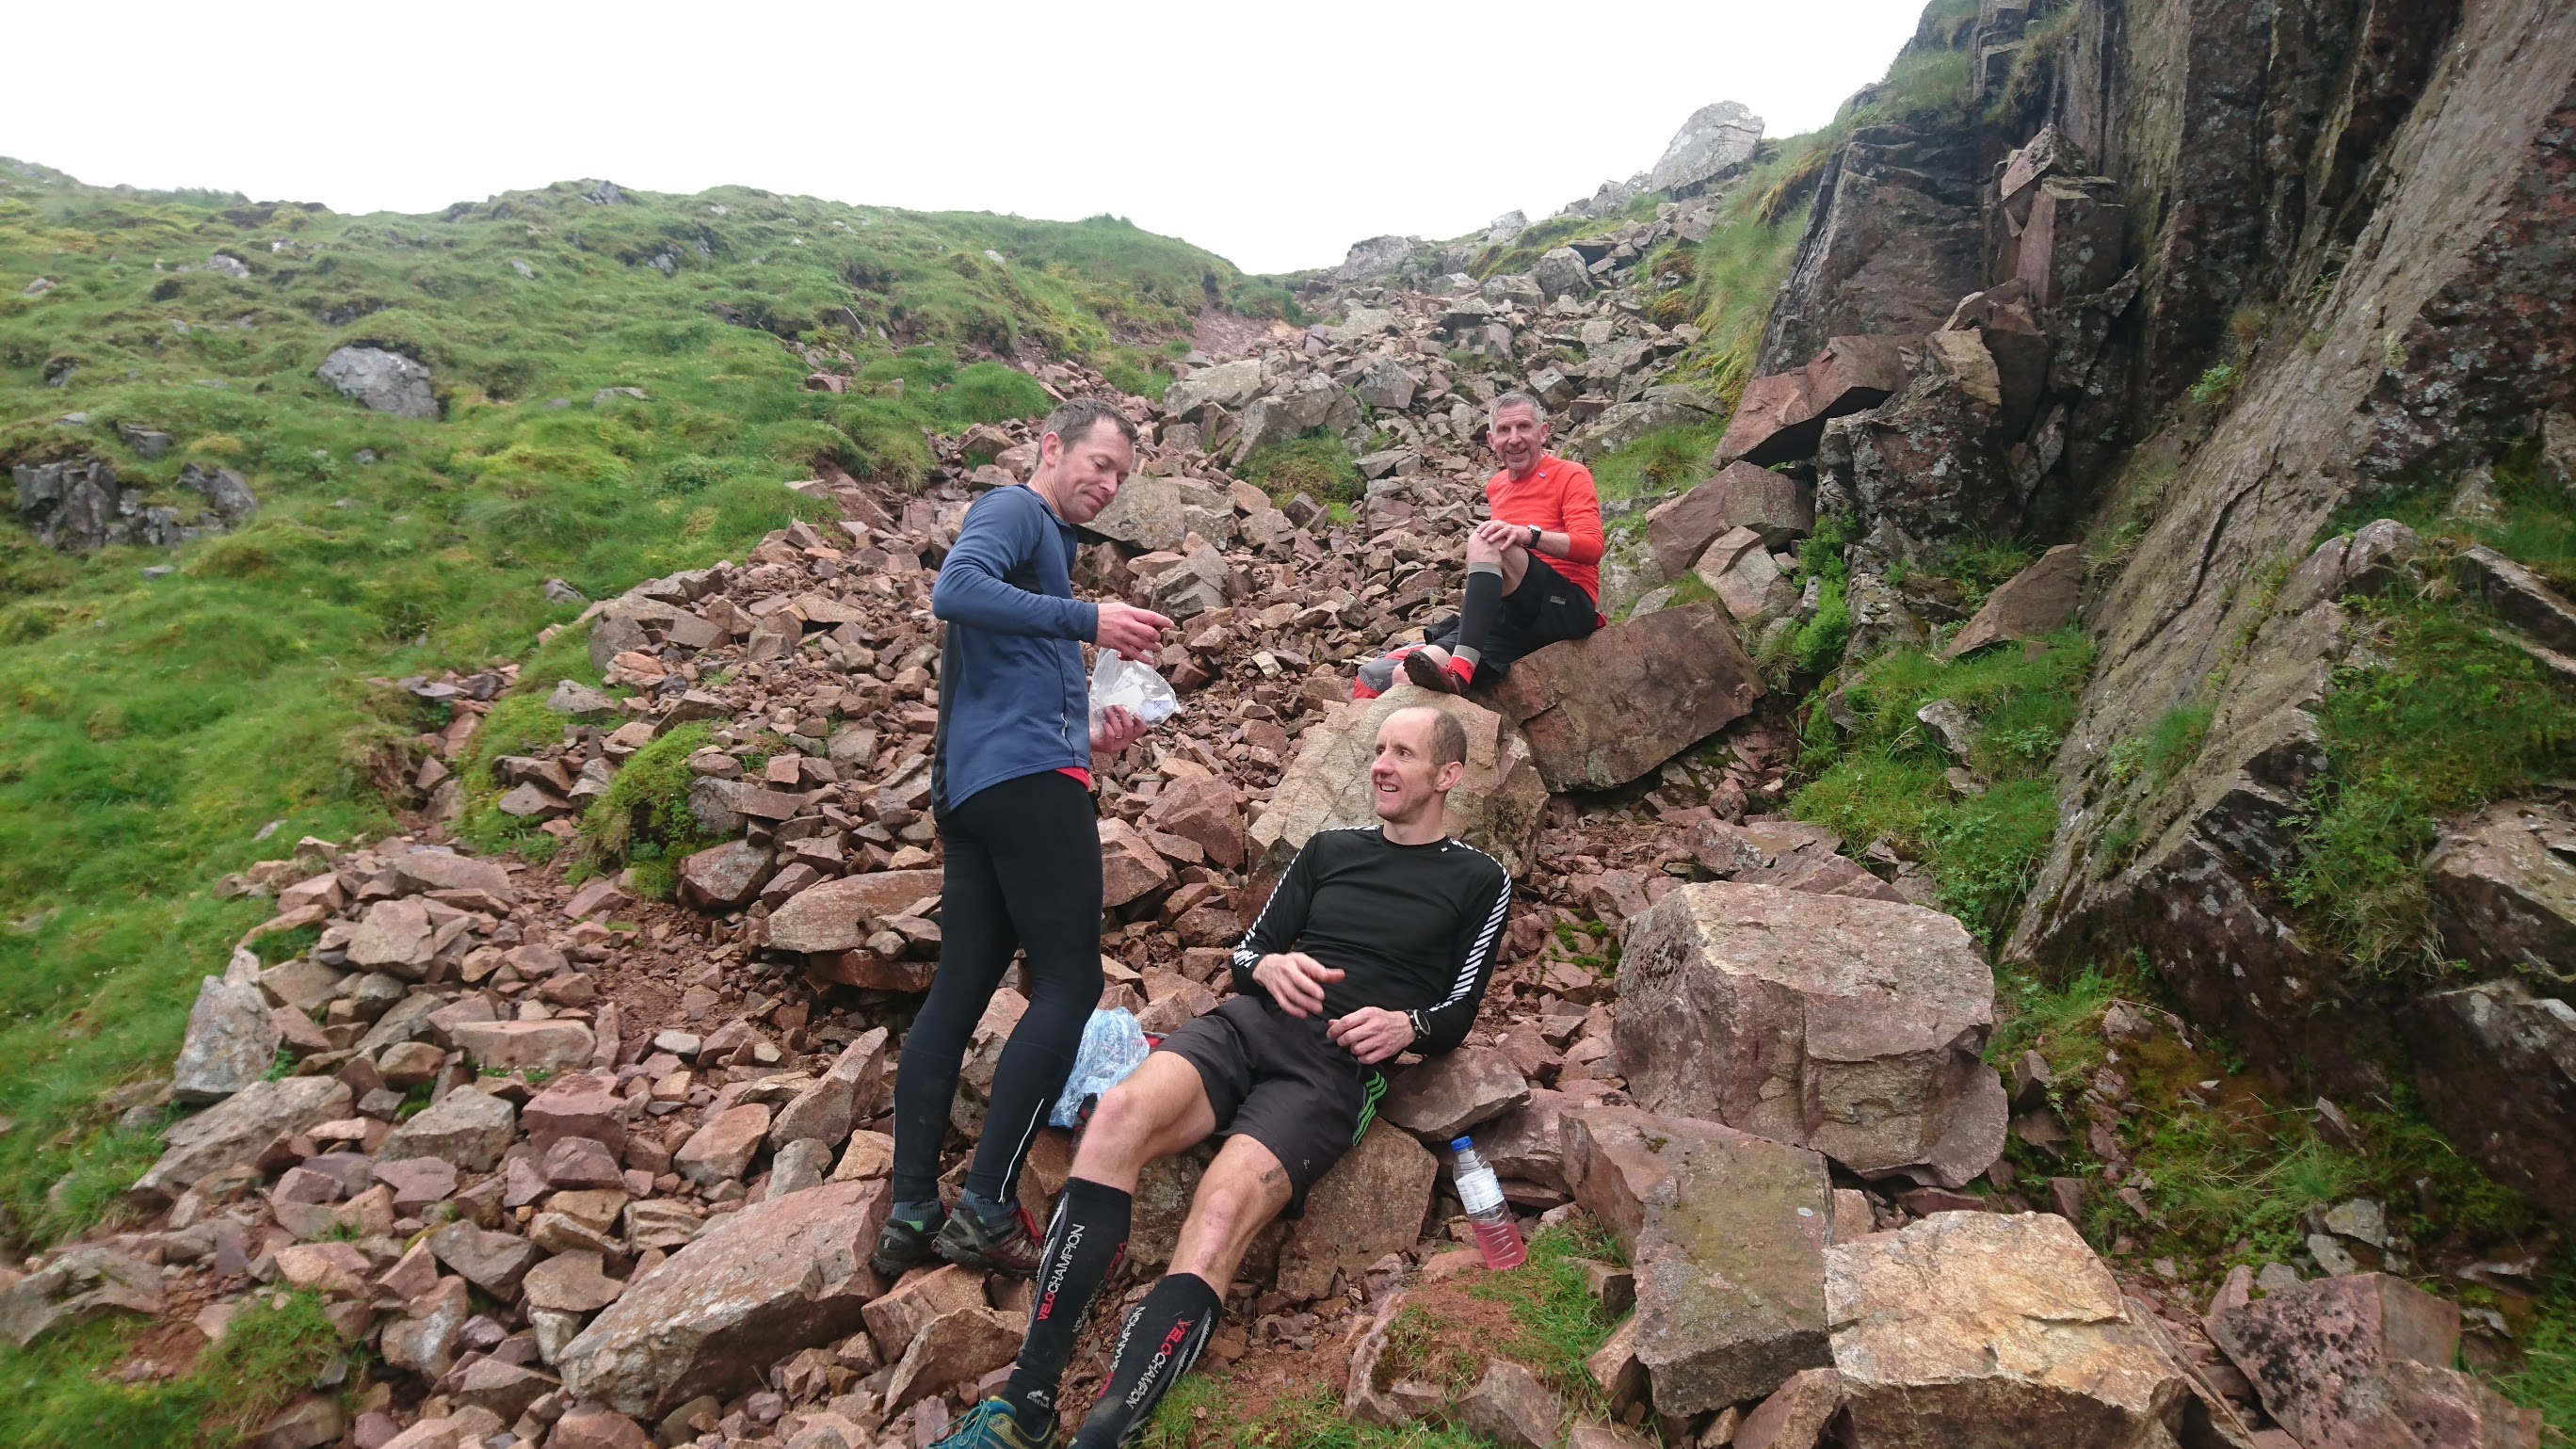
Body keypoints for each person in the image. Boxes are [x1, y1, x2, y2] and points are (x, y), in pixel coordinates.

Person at [935, 704, 1512, 1449]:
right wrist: (1269, 963)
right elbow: (1247, 954)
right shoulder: (1330, 848)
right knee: (1113, 1118)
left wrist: (1409, 1026)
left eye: (1402, 751)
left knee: (1218, 1217)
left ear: (1448, 775)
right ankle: (1024, 1403)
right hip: (1249, 1024)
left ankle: (1105, 1432)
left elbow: (1461, 1007)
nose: (1381, 762)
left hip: (1333, 1067)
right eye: (1376, 747)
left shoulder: (1479, 877)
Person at [875, 397, 1175, 1280]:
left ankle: (909, 1210)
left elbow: (1000, 684)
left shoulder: (1043, 550)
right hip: (1024, 786)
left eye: (1121, 476)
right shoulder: (1016, 510)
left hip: (975, 787)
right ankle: (987, 1206)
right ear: (1052, 447)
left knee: (960, 989)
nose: (1109, 485)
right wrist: (1089, 620)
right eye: (1101, 464)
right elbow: (952, 589)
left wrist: (1089, 736)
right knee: (1072, 978)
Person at [1357, 391, 1604, 698]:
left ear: (1543, 432)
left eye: (1524, 427)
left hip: (1564, 609)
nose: (1514, 439)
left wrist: (1530, 535)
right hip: (1512, 621)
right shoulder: (1497, 486)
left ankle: (1461, 669)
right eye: (1504, 430)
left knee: (1487, 537)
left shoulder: (1571, 475)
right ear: (1491, 440)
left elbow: (1593, 548)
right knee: (1399, 674)